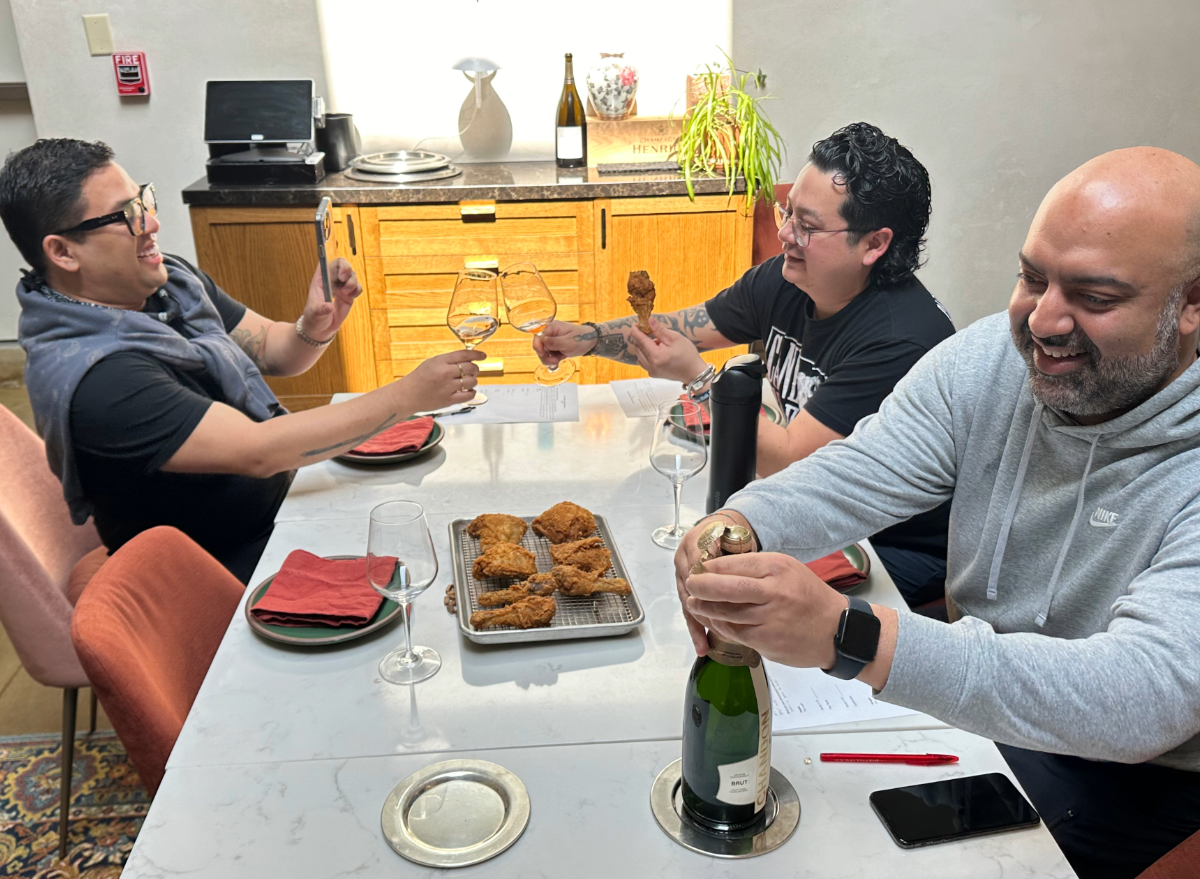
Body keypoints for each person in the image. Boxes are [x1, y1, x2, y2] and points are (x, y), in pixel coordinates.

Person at [672, 147, 1200, 879]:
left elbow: (1145, 694)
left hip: (1121, 775)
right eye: (1032, 277)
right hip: (974, 699)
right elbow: (861, 468)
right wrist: (739, 523)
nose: (1043, 321)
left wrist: (848, 634)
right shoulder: (991, 358)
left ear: (1191, 303)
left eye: (1095, 297)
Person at [0, 139, 483, 583]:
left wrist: (313, 325)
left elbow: (273, 350)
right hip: (219, 572)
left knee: (445, 520)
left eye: (143, 200)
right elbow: (260, 451)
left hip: (281, 506)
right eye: (126, 215)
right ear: (62, 252)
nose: (151, 223)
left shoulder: (168, 284)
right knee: (431, 566)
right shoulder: (101, 380)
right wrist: (409, 395)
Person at [535, 123, 955, 607]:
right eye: (787, 211)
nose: (784, 234)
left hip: (888, 554)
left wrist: (697, 379)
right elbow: (687, 328)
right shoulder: (788, 278)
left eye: (808, 226)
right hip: (820, 517)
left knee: (692, 591)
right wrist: (586, 339)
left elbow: (793, 460)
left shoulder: (902, 340)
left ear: (874, 245)